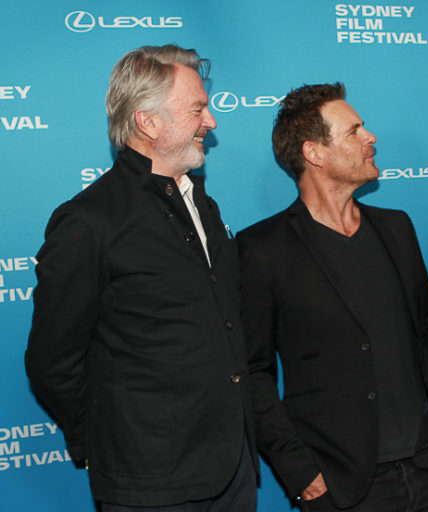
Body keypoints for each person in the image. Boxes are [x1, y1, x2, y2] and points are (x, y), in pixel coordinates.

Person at [25, 44, 256, 511]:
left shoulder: (203, 207)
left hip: (232, 471)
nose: (211, 122)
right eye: (197, 109)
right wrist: (113, 442)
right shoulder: (89, 221)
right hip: (150, 483)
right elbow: (52, 361)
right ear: (148, 122)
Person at [238, 83, 428, 511]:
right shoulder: (263, 250)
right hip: (344, 485)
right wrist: (299, 470)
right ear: (314, 153)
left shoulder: (396, 228)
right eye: (354, 131)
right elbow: (252, 373)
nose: (370, 137)